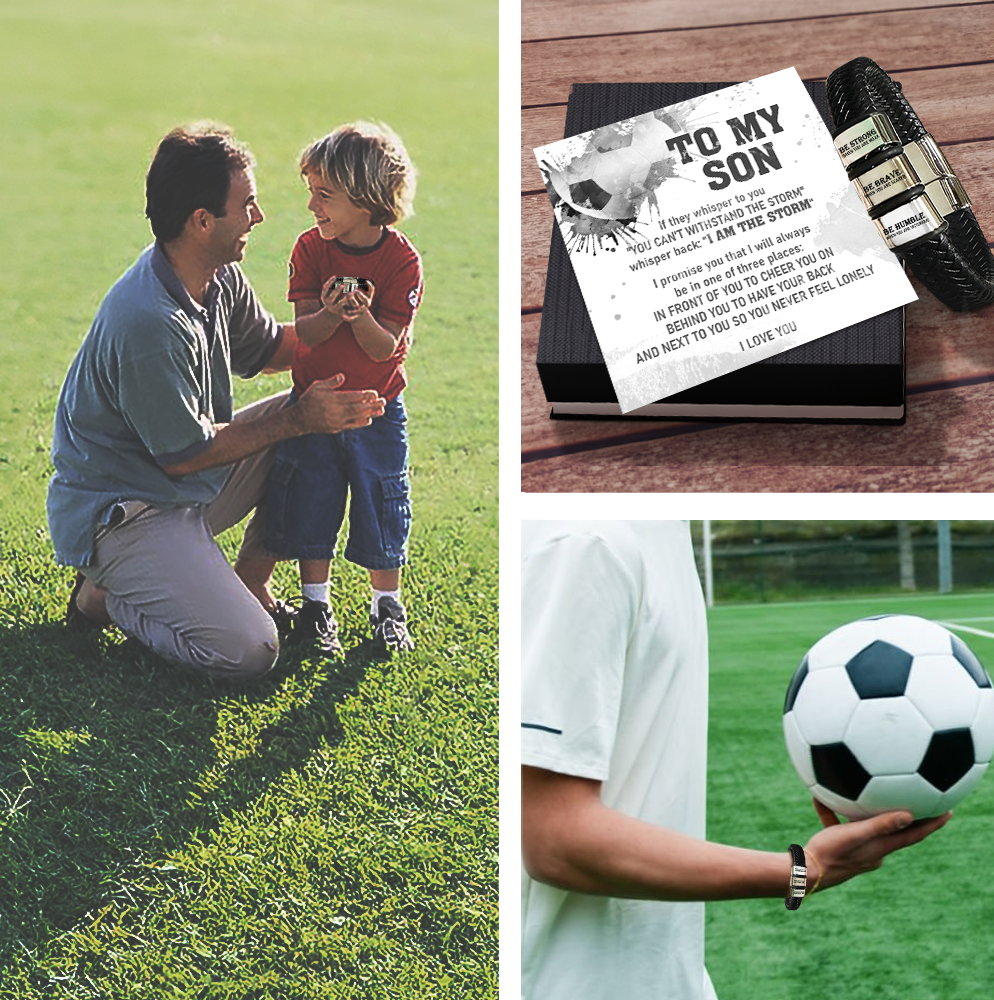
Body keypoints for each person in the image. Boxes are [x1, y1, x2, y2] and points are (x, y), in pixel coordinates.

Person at [521, 520, 951, 1000]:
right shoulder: (589, 543)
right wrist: (803, 869)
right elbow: (553, 836)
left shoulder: (660, 531)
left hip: (661, 977)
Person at [48, 124, 385, 681]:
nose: (259, 216)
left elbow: (272, 347)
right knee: (250, 652)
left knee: (307, 418)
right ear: (202, 222)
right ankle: (104, 598)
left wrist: (354, 325)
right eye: (247, 204)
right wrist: (299, 416)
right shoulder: (150, 322)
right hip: (127, 511)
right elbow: (183, 456)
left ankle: (251, 577)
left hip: (178, 484)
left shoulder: (215, 273)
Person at [235, 122, 423, 657]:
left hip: (376, 413)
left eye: (325, 195)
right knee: (310, 501)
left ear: (366, 199)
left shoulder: (401, 261)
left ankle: (387, 605)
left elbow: (385, 347)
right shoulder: (311, 250)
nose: (312, 206)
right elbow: (305, 333)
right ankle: (317, 605)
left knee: (381, 503)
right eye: (310, 192)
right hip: (313, 407)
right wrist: (331, 312)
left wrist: (358, 316)